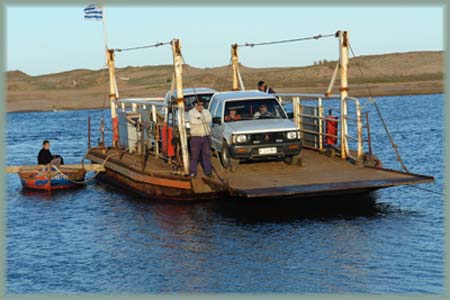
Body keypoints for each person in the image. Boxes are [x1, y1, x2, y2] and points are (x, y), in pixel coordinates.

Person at [188, 100, 213, 177]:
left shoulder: (206, 112)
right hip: (196, 137)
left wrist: (200, 118)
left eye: (201, 104)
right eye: (198, 104)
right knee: (194, 155)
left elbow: (209, 119)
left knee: (207, 155)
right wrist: (202, 120)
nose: (200, 106)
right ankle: (193, 172)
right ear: (195, 105)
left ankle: (208, 172)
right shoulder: (191, 112)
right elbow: (193, 121)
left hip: (206, 136)